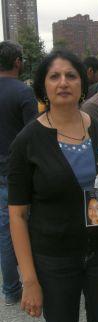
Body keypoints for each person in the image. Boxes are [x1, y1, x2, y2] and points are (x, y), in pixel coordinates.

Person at [7, 50, 98, 322]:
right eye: (54, 76)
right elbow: (17, 215)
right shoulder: (27, 141)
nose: (63, 82)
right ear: (43, 86)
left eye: (71, 75)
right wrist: (29, 280)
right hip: (54, 259)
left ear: (82, 83)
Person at [0, 40, 38, 306]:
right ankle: (31, 283)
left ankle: (11, 289)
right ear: (17, 63)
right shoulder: (24, 94)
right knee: (25, 227)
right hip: (17, 172)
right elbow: (34, 137)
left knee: (4, 232)